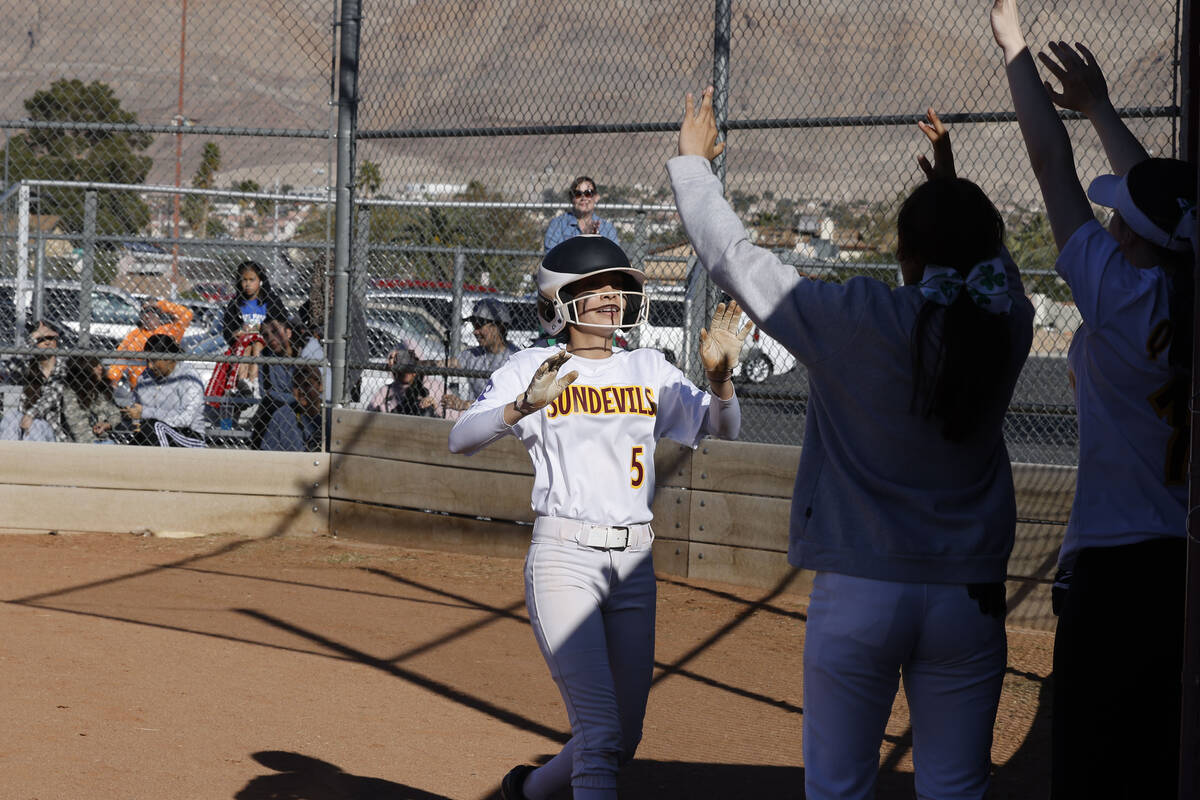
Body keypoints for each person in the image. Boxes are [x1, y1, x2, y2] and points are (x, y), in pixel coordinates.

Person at [671, 89, 1034, 799]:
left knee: (838, 787)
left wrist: (693, 167)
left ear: (905, 252)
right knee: (957, 788)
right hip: (969, 596)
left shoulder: (856, 317)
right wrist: (955, 192)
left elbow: (735, 260)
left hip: (861, 590)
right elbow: (990, 272)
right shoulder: (1007, 324)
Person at [449, 235, 749, 800]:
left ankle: (529, 791)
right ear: (561, 299)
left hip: (635, 563)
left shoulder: (647, 366)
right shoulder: (536, 365)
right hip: (565, 558)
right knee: (601, 733)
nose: (613, 297)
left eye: (620, 288)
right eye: (597, 287)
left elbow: (722, 427)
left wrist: (721, 380)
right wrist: (522, 406)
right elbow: (460, 437)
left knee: (621, 739)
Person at [990, 2, 1194, 796]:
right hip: (1186, 564)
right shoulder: (1173, 290)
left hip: (1115, 570)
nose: (1109, 224)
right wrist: (1103, 108)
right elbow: (1172, 209)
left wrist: (1013, 47)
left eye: (1119, 220)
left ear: (1137, 241)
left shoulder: (1123, 298)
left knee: (1094, 763)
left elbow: (1051, 167)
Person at [208, 260, 287, 402]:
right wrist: (237, 332)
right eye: (244, 280)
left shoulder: (271, 301)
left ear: (261, 281)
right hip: (243, 343)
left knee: (256, 344)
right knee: (248, 343)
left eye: (252, 280)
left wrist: (258, 329)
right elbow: (229, 329)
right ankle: (242, 381)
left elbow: (280, 323)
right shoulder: (236, 303)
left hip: (265, 345)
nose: (248, 284)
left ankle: (254, 381)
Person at [124, 333, 206, 447]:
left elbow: (186, 418)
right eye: (147, 361)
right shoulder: (145, 377)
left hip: (188, 436)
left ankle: (164, 462)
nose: (150, 366)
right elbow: (135, 411)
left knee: (154, 426)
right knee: (135, 434)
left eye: (154, 360)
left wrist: (145, 412)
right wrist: (115, 421)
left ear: (169, 358)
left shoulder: (188, 376)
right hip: (152, 434)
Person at [252, 316, 320, 451]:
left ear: (288, 332)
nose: (271, 338)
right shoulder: (266, 356)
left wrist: (289, 397)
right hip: (276, 408)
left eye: (275, 331)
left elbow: (310, 395)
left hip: (305, 411)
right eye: (266, 335)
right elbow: (266, 393)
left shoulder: (306, 353)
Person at [442, 298, 519, 412]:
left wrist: (465, 404)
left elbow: (507, 402)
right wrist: (416, 362)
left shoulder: (516, 358)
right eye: (474, 326)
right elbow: (444, 364)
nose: (475, 332)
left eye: (479, 326)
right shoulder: (473, 355)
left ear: (499, 327)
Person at [107, 297, 194, 387]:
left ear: (159, 314)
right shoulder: (133, 336)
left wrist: (160, 305)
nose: (148, 315)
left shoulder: (170, 330)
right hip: (139, 386)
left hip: (166, 385)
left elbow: (187, 315)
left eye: (152, 311)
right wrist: (112, 379)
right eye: (144, 312)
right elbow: (119, 361)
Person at [543, 176, 621, 253]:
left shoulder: (607, 228)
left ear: (596, 197)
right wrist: (584, 237)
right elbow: (551, 256)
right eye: (578, 194)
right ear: (572, 198)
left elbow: (615, 256)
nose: (583, 198)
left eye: (588, 193)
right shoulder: (558, 225)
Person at [62, 356, 123, 444]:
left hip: (103, 441)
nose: (100, 367)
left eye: (99, 364)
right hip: (81, 444)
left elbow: (115, 413)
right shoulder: (71, 395)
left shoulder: (98, 390)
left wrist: (106, 424)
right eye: (94, 365)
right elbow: (78, 430)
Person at [364, 347, 439, 416]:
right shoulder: (387, 390)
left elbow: (438, 414)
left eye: (410, 369)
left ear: (415, 372)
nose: (406, 372)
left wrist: (433, 405)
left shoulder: (423, 390)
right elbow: (369, 411)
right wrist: (382, 409)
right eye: (402, 367)